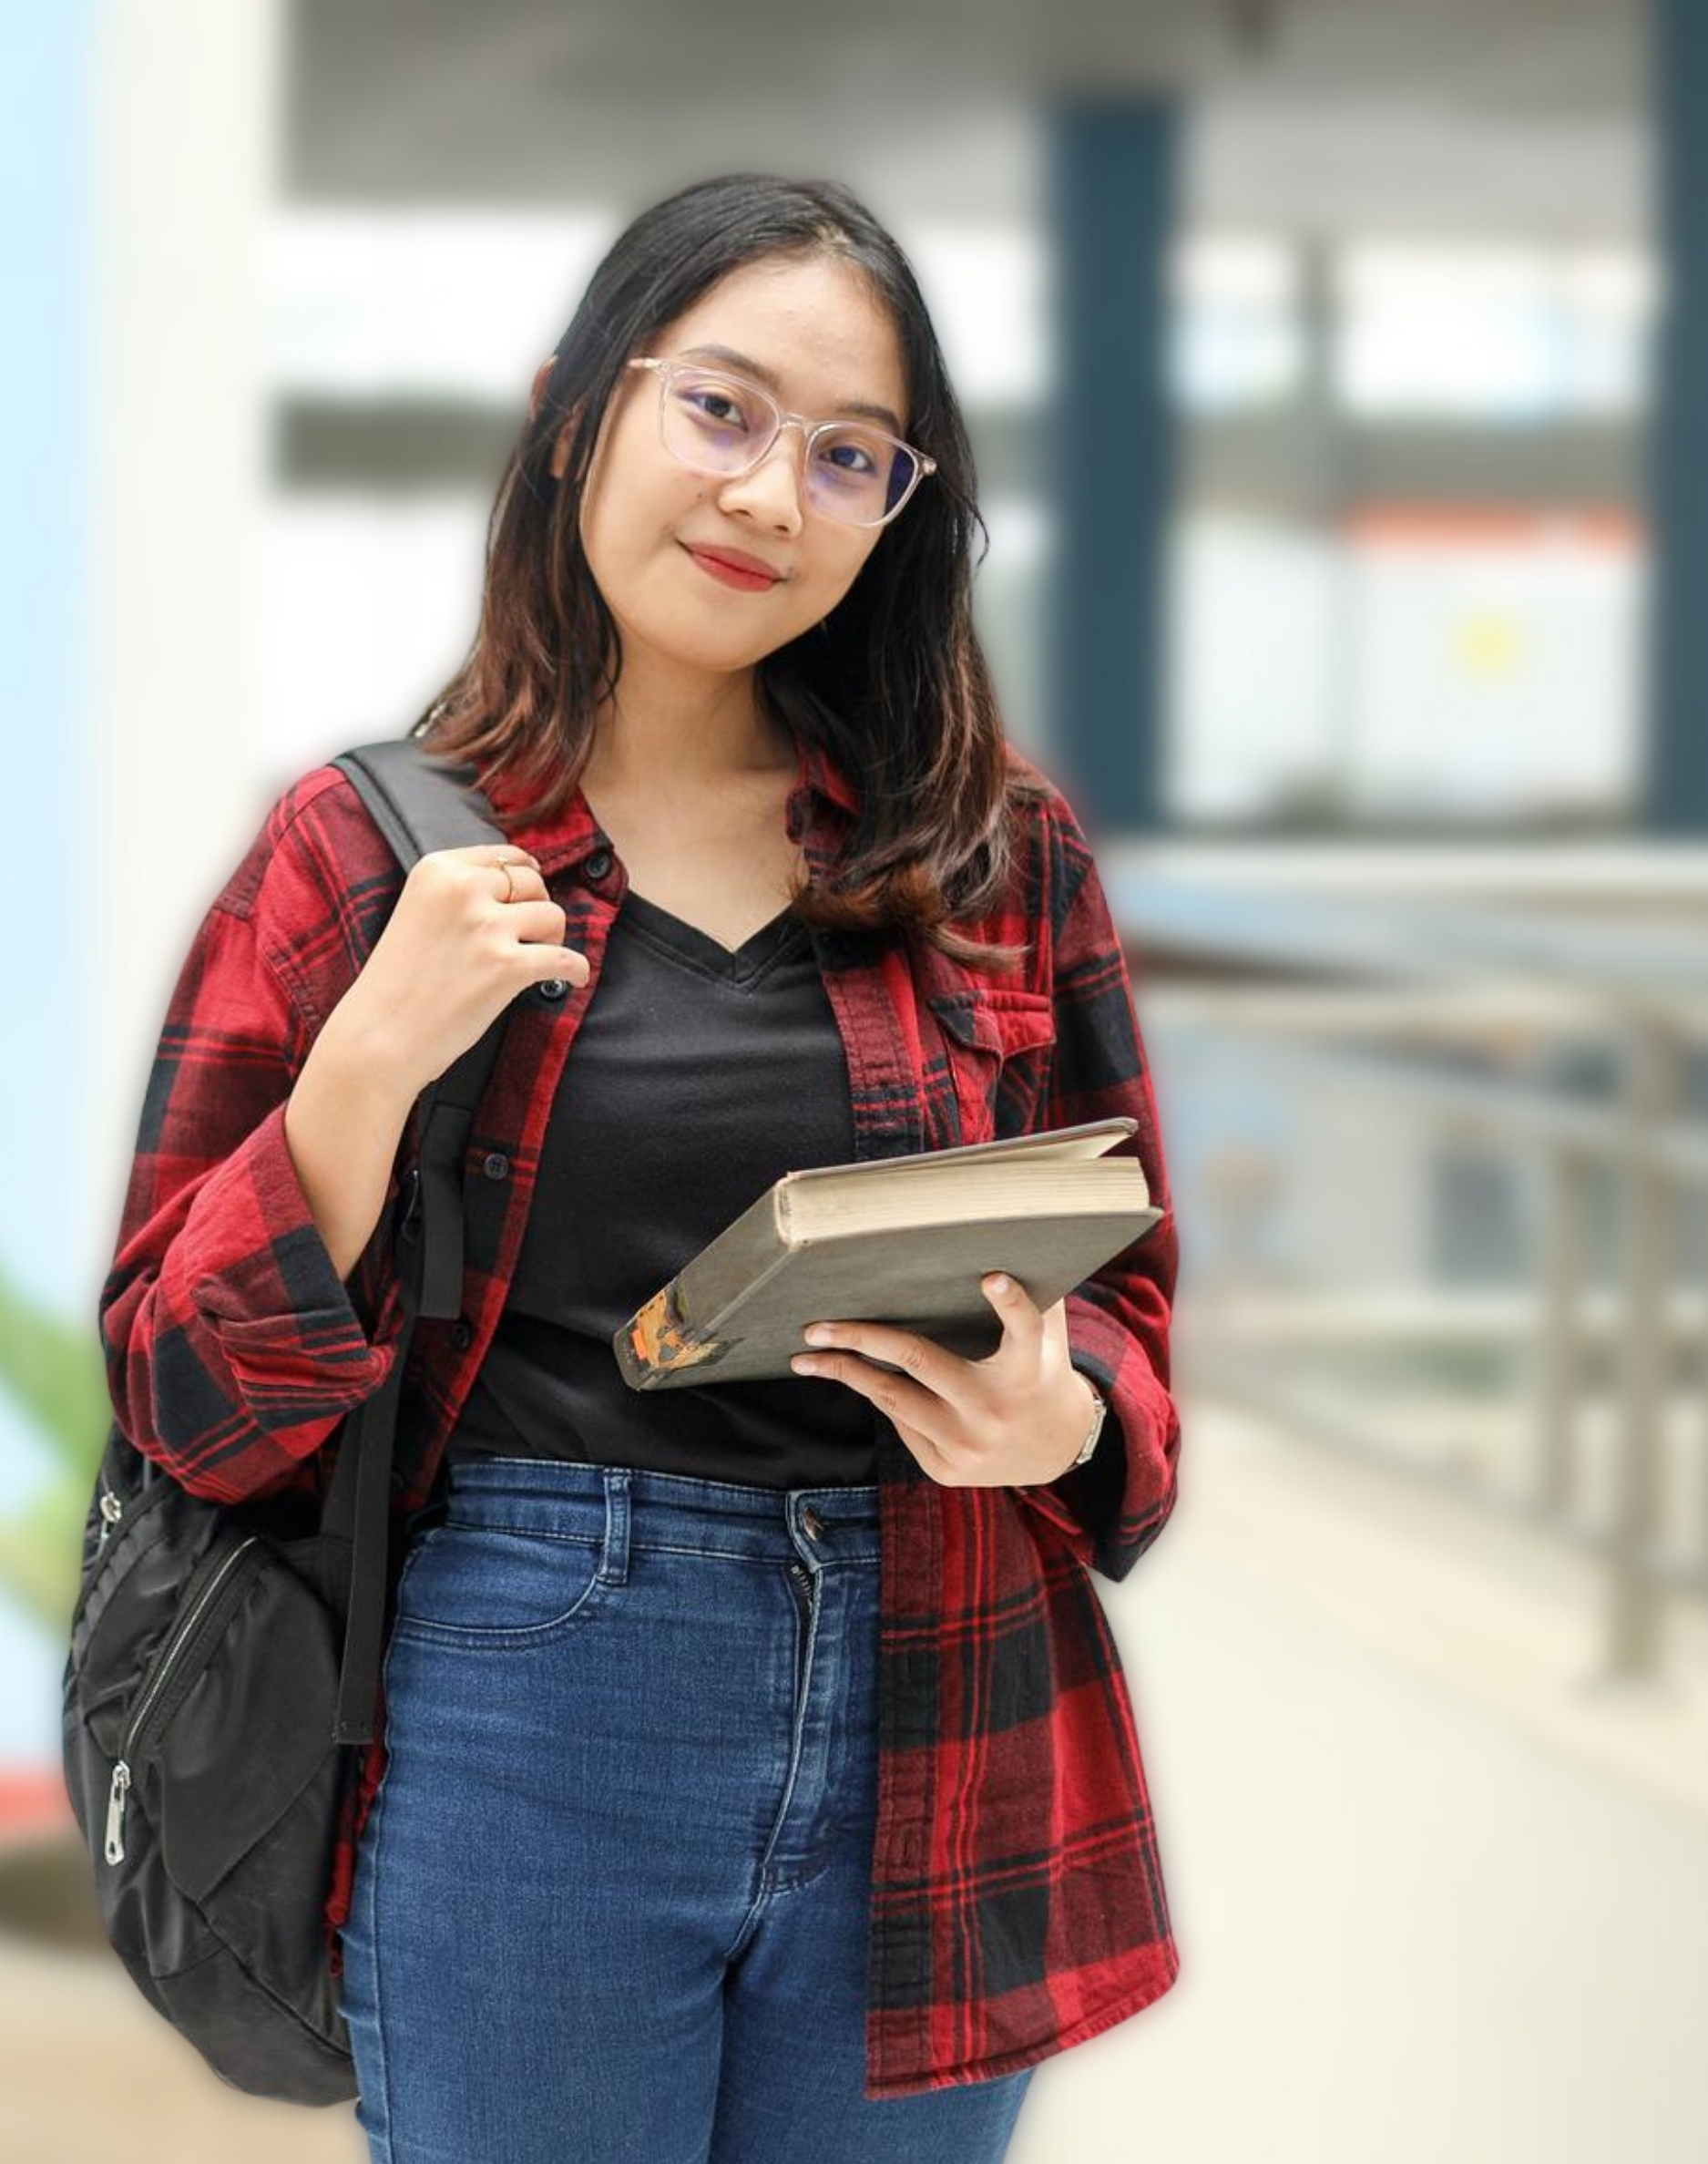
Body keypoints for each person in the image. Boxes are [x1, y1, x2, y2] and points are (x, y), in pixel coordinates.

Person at [97, 171, 1184, 2164]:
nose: (770, 496)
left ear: (898, 512)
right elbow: (181, 1395)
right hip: (526, 1713)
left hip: (942, 1706)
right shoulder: (357, 861)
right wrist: (358, 1076)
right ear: (575, 408)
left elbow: (1134, 1324)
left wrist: (1054, 1408)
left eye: (847, 455)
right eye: (722, 409)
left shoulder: (995, 860)